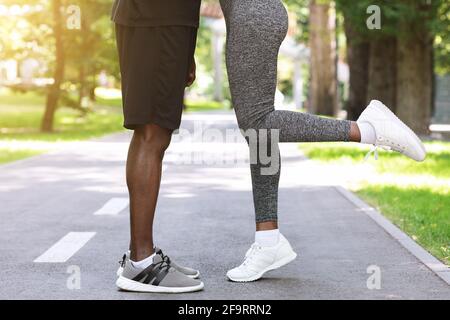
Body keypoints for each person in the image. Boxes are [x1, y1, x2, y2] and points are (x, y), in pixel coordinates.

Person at [219, 0, 426, 282]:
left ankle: (368, 130)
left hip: (251, 14)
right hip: (251, 14)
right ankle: (268, 242)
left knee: (258, 122)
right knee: (261, 135)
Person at [111, 0, 204, 293]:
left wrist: (187, 46)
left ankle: (140, 254)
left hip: (167, 19)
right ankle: (141, 262)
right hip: (155, 17)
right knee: (152, 131)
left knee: (154, 132)